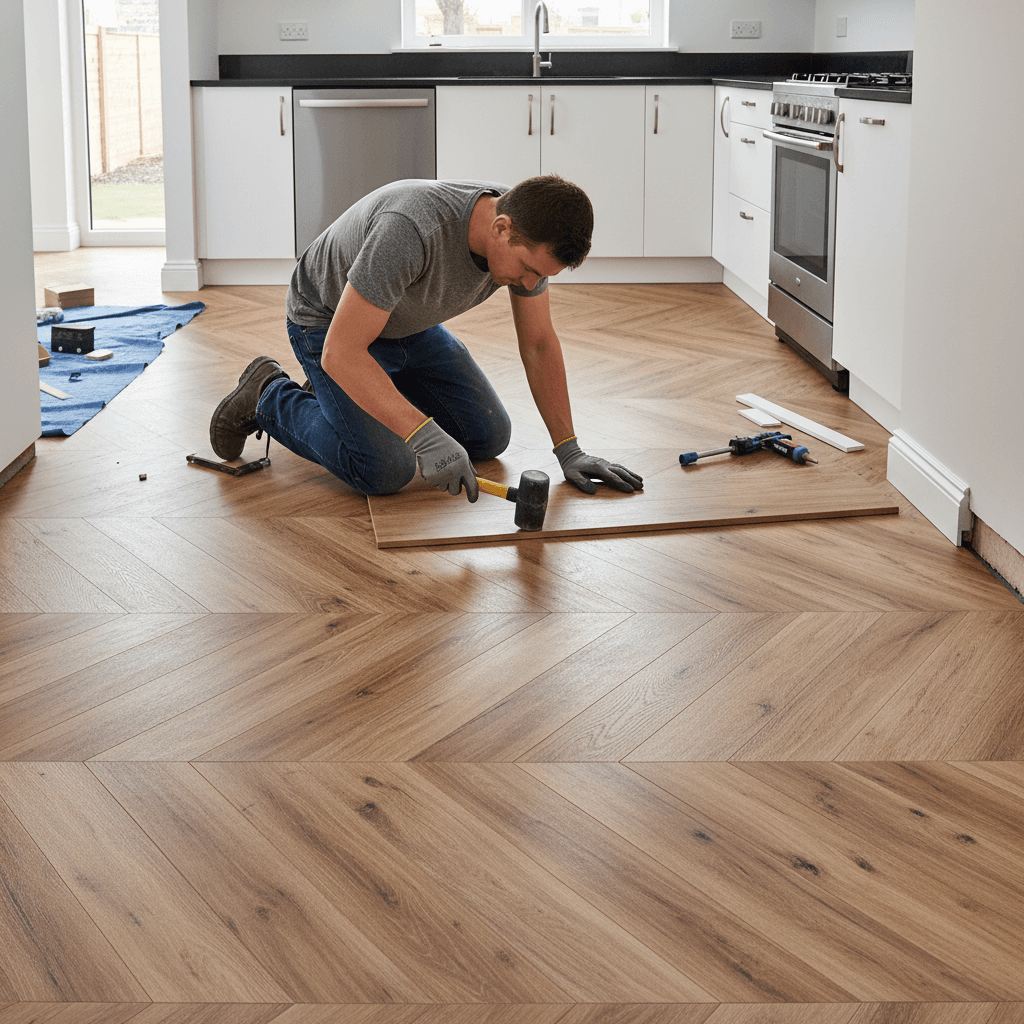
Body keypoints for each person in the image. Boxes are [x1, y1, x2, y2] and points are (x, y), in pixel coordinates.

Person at [209, 175, 643, 503]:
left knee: (490, 437)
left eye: (542, 277)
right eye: (528, 269)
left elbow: (539, 344)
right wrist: (421, 433)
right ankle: (268, 395)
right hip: (326, 322)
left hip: (404, 324)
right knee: (385, 468)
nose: (530, 283)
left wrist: (569, 449)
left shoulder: (525, 237)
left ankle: (356, 396)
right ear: (502, 228)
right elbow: (342, 351)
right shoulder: (411, 229)